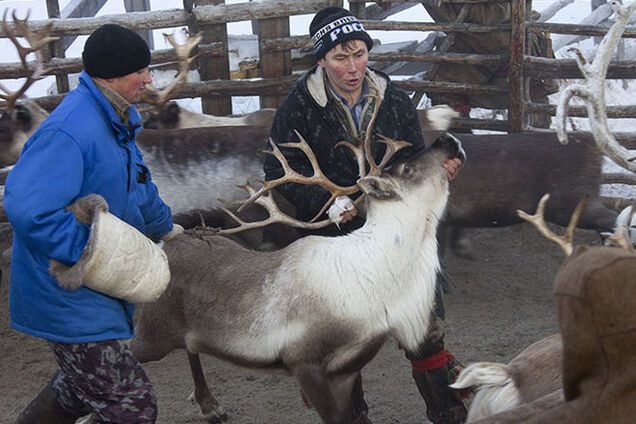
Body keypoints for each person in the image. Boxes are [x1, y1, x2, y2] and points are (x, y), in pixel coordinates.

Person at [264, 7, 466, 424]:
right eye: (340, 58)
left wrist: (439, 169)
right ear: (321, 59)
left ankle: (448, 414)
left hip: (396, 237)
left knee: (424, 329)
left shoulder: (392, 98)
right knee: (344, 342)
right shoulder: (298, 108)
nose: (353, 67)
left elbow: (411, 158)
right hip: (336, 239)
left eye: (359, 54)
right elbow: (276, 171)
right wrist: (321, 203)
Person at [5, 24, 180, 424]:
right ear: (112, 74)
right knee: (131, 406)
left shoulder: (115, 121)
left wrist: (166, 227)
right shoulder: (70, 131)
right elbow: (29, 210)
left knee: (77, 390)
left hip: (94, 289)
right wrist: (90, 252)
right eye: (141, 70)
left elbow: (137, 186)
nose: (149, 78)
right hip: (65, 289)